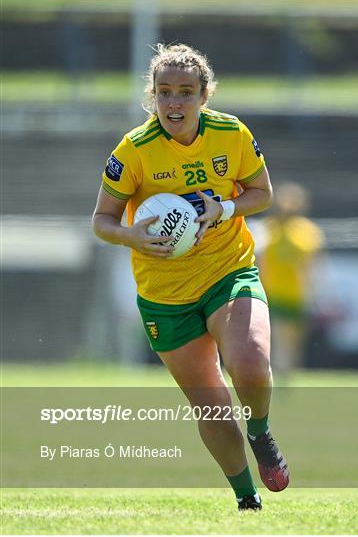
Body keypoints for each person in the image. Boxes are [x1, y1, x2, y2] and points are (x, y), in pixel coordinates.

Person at [92, 43, 289, 510]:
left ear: (204, 95)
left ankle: (260, 434)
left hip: (228, 268)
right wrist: (131, 238)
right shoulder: (133, 150)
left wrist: (225, 208)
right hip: (165, 294)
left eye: (184, 92)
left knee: (251, 363)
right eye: (164, 93)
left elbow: (262, 193)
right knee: (213, 407)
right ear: (153, 97)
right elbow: (101, 221)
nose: (173, 103)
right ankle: (247, 499)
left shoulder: (231, 133)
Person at [259, 182, 325, 377]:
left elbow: (315, 265)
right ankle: (278, 378)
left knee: (294, 342)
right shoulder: (267, 229)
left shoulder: (308, 231)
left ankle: (286, 378)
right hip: (274, 293)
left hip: (298, 294)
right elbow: (260, 261)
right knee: (280, 340)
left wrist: (315, 290)